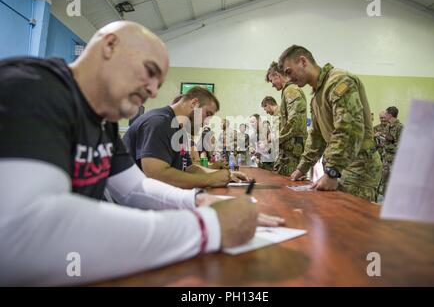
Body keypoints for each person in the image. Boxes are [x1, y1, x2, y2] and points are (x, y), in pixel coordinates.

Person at [0, 21, 283, 286]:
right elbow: (24, 232)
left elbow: (134, 188)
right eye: (150, 71)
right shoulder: (30, 87)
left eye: (158, 85)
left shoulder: (103, 121)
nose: (151, 90)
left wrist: (196, 201)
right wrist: (208, 226)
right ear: (109, 45)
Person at [280, 45, 382, 202]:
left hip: (360, 168)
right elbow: (316, 135)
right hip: (342, 167)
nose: (288, 79)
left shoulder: (338, 81)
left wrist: (333, 171)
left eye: (289, 71)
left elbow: (348, 129)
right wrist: (302, 168)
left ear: (302, 61)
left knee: (351, 221)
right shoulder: (317, 94)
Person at [123, 86, 250, 189]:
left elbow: (189, 168)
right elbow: (156, 174)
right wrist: (210, 179)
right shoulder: (159, 123)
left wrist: (225, 175)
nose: (206, 122)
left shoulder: (180, 130)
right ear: (194, 103)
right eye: (208, 114)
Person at [265, 61, 308, 176]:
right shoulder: (287, 91)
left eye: (271, 80)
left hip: (292, 152)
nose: (272, 84)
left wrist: (276, 138)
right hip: (289, 150)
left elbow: (295, 122)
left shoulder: (291, 90)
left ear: (277, 75)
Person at [378, 106, 403, 197]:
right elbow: (386, 140)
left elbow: (401, 146)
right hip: (386, 157)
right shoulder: (388, 126)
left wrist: (391, 142)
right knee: (384, 180)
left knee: (392, 181)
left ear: (390, 115)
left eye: (385, 114)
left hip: (394, 159)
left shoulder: (400, 127)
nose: (384, 116)